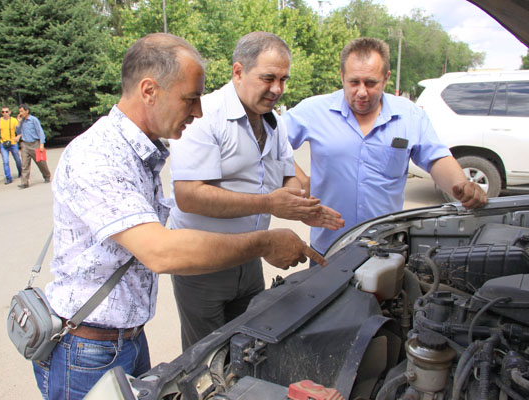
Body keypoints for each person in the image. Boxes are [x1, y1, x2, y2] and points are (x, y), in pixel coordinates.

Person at [33, 33, 326, 399]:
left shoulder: (139, 152)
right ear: (149, 90)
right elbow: (161, 252)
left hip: (124, 339)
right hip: (87, 350)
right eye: (190, 99)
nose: (198, 111)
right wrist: (265, 241)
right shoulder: (98, 156)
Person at [168, 31, 345, 351]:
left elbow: (289, 176)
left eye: (283, 80)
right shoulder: (205, 116)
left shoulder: (274, 122)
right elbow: (189, 196)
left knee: (249, 348)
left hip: (250, 257)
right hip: (202, 263)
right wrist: (269, 203)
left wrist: (301, 206)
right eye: (268, 78)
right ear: (238, 72)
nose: (277, 88)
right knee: (205, 357)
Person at [283, 37, 487, 257]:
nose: (362, 92)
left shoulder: (410, 116)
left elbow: (436, 158)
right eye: (354, 82)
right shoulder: (314, 111)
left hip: (386, 250)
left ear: (386, 78)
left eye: (371, 83)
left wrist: (461, 185)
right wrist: (299, 181)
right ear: (342, 76)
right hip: (329, 249)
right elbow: (271, 143)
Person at [16, 104, 51, 189]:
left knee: (41, 162)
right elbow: (18, 132)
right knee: (24, 164)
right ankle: (24, 183)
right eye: (19, 112)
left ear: (27, 111)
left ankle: (46, 175)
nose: (20, 113)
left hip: (35, 144)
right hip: (25, 144)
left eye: (22, 111)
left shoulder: (33, 120)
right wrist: (18, 123)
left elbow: (40, 131)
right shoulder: (22, 121)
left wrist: (41, 144)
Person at [0, 106, 22, 185]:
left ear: (9, 112)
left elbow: (19, 130)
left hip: (13, 143)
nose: (4, 113)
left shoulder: (13, 120)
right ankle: (8, 178)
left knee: (17, 159)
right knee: (5, 161)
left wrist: (18, 136)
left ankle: (21, 172)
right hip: (3, 143)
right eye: (3, 112)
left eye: (6, 111)